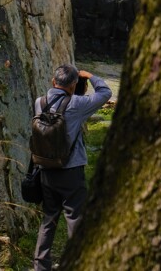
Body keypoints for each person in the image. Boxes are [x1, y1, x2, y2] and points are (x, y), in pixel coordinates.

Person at [33, 64, 112, 271]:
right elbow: (106, 92)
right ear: (74, 84)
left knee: (49, 218)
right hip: (71, 170)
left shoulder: (39, 103)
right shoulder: (77, 103)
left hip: (46, 170)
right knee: (75, 218)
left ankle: (40, 265)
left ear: (53, 82)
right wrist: (90, 76)